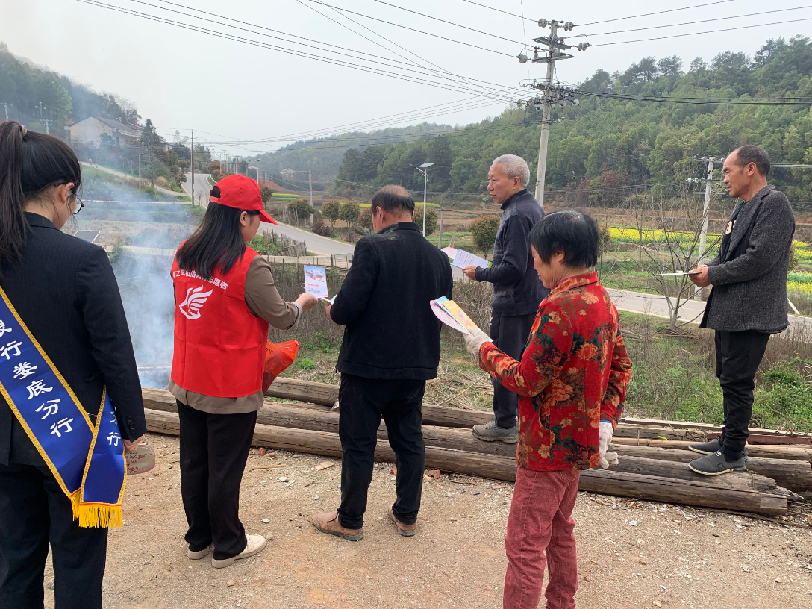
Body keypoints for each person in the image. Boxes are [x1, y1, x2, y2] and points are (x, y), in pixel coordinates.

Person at [0, 121, 147, 608]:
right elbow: (115, 353)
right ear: (64, 192)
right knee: (78, 567)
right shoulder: (83, 258)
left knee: (13, 564)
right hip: (72, 439)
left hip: (2, 441)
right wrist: (133, 429)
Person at [464, 211, 631, 609]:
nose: (534, 266)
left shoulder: (558, 307)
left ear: (558, 253)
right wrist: (605, 420)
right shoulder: (601, 298)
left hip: (545, 448)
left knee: (524, 544)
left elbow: (527, 380)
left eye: (536, 257)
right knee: (559, 530)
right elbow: (621, 366)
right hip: (580, 445)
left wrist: (484, 349)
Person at [169, 174, 318, 568]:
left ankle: (198, 538)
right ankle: (228, 544)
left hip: (187, 378)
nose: (258, 227)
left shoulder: (184, 253)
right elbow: (281, 316)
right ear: (241, 218)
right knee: (225, 467)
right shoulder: (249, 264)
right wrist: (302, 303)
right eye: (257, 219)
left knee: (194, 462)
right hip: (229, 386)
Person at [312, 185, 452, 541]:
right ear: (411, 212)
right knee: (409, 440)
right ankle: (406, 515)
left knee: (359, 443)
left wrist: (332, 309)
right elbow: (443, 311)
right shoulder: (438, 258)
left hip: (367, 367)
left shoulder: (372, 246)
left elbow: (345, 309)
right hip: (415, 367)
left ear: (380, 212)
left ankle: (349, 520)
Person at [687, 146, 795, 475]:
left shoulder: (774, 204)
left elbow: (759, 259)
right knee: (729, 377)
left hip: (751, 314)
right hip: (732, 310)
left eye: (726, 171)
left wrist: (715, 274)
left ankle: (733, 453)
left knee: (738, 382)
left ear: (750, 169)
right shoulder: (744, 207)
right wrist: (707, 268)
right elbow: (727, 255)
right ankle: (728, 439)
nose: (724, 178)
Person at [463, 154, 549, 444]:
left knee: (504, 363)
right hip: (531, 299)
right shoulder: (530, 207)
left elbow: (513, 268)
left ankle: (505, 424)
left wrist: (481, 273)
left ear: (514, 181)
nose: (489, 186)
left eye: (494, 180)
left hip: (514, 304)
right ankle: (521, 421)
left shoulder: (516, 215)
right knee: (524, 364)